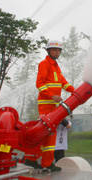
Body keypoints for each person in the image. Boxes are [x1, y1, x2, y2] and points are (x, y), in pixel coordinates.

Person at [24, 40, 75, 172]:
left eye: (58, 50)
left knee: (45, 133)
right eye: (54, 50)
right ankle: (46, 163)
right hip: (46, 104)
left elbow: (63, 83)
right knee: (49, 133)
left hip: (53, 105)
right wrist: (52, 95)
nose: (57, 52)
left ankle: (32, 159)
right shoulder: (44, 64)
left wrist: (75, 91)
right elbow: (39, 84)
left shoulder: (56, 67)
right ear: (48, 51)